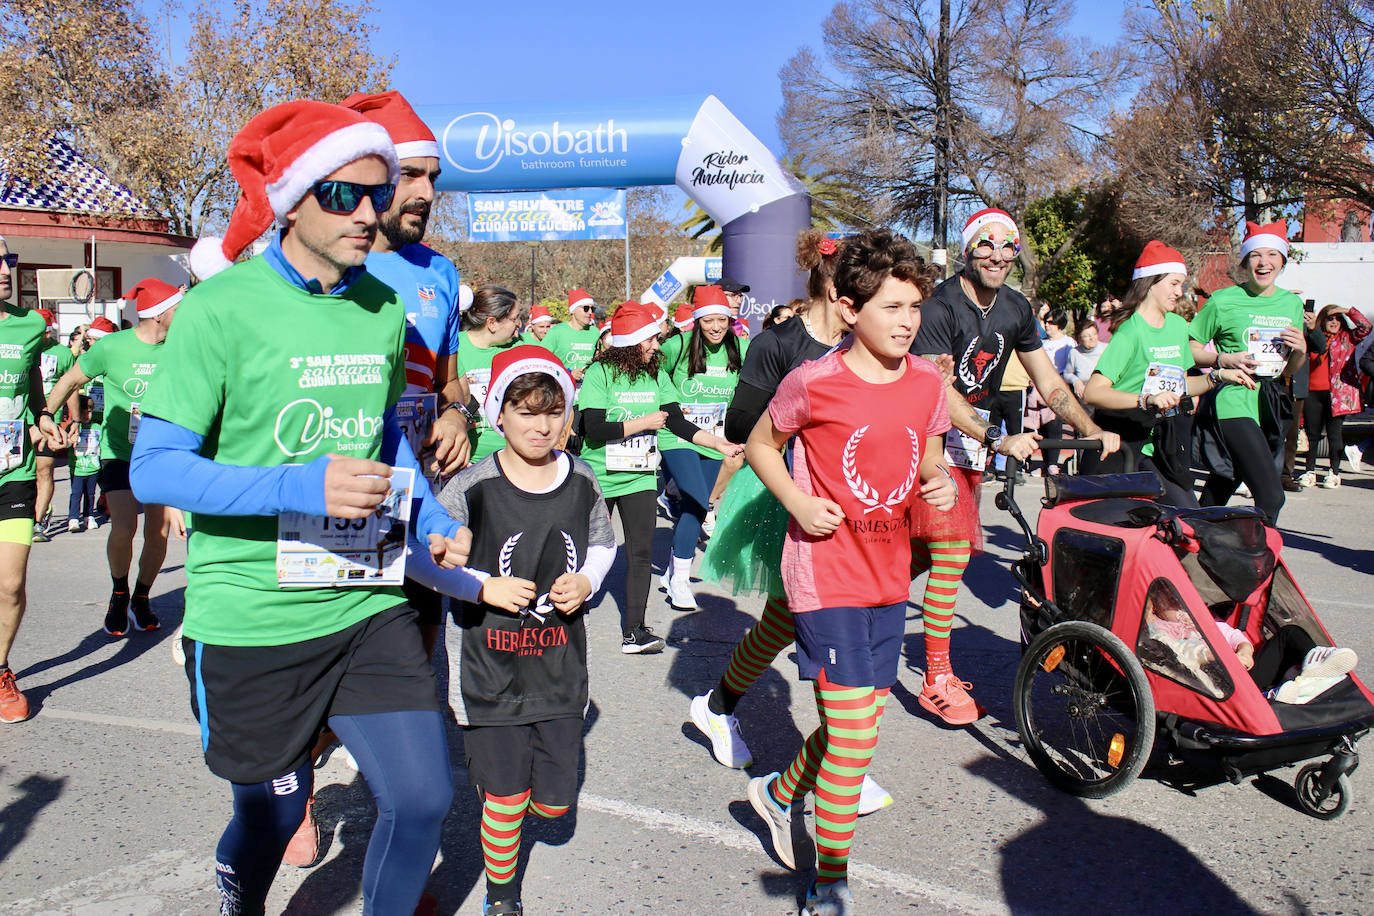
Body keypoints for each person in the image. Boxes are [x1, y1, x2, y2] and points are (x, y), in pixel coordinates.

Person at [126, 100, 470, 916]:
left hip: (361, 595)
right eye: (344, 195)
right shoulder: (220, 308)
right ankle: (240, 901)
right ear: (290, 200)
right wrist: (296, 486)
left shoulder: (382, 306)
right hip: (253, 615)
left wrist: (429, 519)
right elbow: (154, 470)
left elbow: (384, 436)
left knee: (423, 798)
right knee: (274, 815)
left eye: (378, 194)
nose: (369, 213)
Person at [744, 228, 955, 916]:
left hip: (889, 578)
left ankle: (776, 794)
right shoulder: (815, 382)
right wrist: (799, 503)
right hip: (824, 575)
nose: (906, 321)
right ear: (849, 308)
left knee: (849, 730)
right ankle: (829, 884)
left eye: (914, 307)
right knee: (858, 738)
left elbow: (925, 454)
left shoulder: (927, 382)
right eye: (891, 307)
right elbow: (760, 444)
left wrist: (937, 481)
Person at [691, 230, 894, 813]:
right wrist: (799, 413)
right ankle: (841, 758)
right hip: (785, 494)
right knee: (820, 620)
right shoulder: (778, 343)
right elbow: (741, 428)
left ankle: (720, 706)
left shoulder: (863, 341)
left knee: (786, 623)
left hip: (847, 499)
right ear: (835, 285)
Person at [909, 207, 1118, 723]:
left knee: (914, 556)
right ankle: (937, 676)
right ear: (968, 250)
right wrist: (997, 437)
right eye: (987, 244)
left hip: (971, 443)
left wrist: (1090, 428)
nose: (998, 255)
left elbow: (1048, 380)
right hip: (925, 439)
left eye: (1008, 246)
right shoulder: (939, 307)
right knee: (952, 551)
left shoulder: (1016, 307)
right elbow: (937, 391)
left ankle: (861, 611)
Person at [433, 346, 615, 916]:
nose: (541, 426)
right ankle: (501, 897)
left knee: (554, 807)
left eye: (553, 412)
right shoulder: (470, 486)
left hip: (560, 669)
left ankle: (508, 794)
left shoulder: (581, 477)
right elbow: (431, 561)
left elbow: (603, 543)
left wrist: (586, 580)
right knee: (507, 799)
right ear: (498, 415)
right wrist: (482, 587)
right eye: (526, 412)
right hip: (488, 672)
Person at [576, 302, 740, 654]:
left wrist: (717, 443)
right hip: (599, 477)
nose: (656, 345)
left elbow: (677, 421)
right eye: (649, 339)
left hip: (639, 477)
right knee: (588, 547)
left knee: (640, 551)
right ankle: (571, 606)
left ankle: (634, 631)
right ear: (630, 342)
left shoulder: (655, 375)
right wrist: (643, 423)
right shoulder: (600, 373)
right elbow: (594, 427)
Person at [40, 279, 187, 635]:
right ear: (159, 314)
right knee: (124, 526)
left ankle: (141, 597)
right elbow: (69, 379)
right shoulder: (112, 347)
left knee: (158, 533)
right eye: (178, 307)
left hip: (159, 454)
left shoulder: (181, 348)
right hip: (119, 451)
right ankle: (119, 593)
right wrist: (46, 415)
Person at [1083, 241, 1254, 506]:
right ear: (1150, 282)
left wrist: (1218, 376)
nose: (1179, 291)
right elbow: (1093, 392)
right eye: (1173, 283)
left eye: (1181, 284)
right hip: (1121, 442)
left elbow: (1180, 385)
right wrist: (1145, 400)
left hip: (1161, 444)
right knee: (1114, 524)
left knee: (1188, 517)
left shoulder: (1177, 326)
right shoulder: (1131, 331)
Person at [1189, 221, 1307, 524]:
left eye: (1272, 254)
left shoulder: (1291, 304)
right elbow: (1189, 349)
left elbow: (1290, 369)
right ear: (1245, 261)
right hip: (1233, 399)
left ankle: (1194, 535)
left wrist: (1301, 351)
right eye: (1256, 255)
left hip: (1269, 402)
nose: (1263, 262)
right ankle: (1259, 550)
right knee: (1271, 496)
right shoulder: (1223, 300)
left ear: (1282, 260)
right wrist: (1223, 359)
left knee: (1224, 480)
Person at [657, 285, 745, 610]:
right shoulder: (677, 345)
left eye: (722, 319)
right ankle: (680, 582)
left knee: (698, 505)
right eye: (709, 320)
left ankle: (671, 572)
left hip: (715, 440)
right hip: (678, 436)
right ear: (697, 321)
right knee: (696, 500)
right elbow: (652, 373)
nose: (716, 327)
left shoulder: (741, 347)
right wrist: (667, 405)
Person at [0, 235, 47, 723]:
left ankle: (0, 669)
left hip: (14, 471)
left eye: (7, 260)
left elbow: (30, 378)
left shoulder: (30, 324)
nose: (4, 270)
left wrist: (42, 415)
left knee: (11, 584)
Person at [1300, 304, 1370, 488]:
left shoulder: (1347, 337)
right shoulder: (1313, 335)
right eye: (1330, 318)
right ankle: (1310, 471)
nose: (1334, 322)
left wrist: (1347, 311)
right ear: (1323, 320)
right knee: (1312, 434)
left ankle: (1334, 472)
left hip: (1337, 394)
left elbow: (1366, 326)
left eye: (1338, 319)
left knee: (1334, 434)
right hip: (1312, 391)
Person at [459, 285, 524, 465]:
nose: (519, 324)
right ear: (492, 323)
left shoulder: (520, 350)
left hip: (513, 459)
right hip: (467, 461)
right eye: (515, 318)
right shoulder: (454, 348)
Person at [32, 308, 78, 541]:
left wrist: (75, 419)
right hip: (20, 421)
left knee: (44, 470)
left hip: (50, 422)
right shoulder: (23, 348)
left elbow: (72, 388)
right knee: (24, 474)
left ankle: (38, 521)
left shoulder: (62, 354)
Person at [1282, 306, 1327, 491]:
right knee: (1266, 433)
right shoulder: (1275, 321)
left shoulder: (1303, 327)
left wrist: (1312, 328)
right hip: (1273, 384)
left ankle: (1285, 475)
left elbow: (1320, 347)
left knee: (1291, 435)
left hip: (1295, 386)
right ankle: (1260, 475)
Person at [542, 288, 601, 382]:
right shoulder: (556, 332)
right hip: (563, 385)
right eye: (586, 308)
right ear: (573, 310)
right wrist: (568, 373)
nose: (590, 312)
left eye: (592, 309)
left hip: (587, 385)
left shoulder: (595, 332)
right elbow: (542, 361)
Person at [1062, 321, 1106, 399]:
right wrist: (1075, 381)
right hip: (1085, 397)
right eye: (1086, 336)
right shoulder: (1074, 353)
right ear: (1079, 339)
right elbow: (1066, 374)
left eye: (1094, 334)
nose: (1092, 338)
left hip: (1106, 394)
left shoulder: (1106, 349)